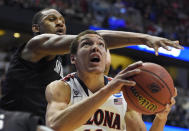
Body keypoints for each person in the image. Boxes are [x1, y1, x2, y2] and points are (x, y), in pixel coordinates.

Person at [0, 8, 182, 125]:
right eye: (51, 19)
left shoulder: (59, 64)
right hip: (15, 122)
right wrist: (143, 38)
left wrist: (161, 117)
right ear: (36, 29)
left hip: (36, 123)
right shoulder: (36, 44)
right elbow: (93, 37)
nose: (60, 23)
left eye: (62, 20)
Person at [45, 30, 177, 131]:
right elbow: (54, 126)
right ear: (73, 58)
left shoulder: (125, 92)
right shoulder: (62, 88)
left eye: (101, 45)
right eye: (87, 44)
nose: (95, 47)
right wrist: (108, 90)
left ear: (106, 56)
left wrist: (161, 118)